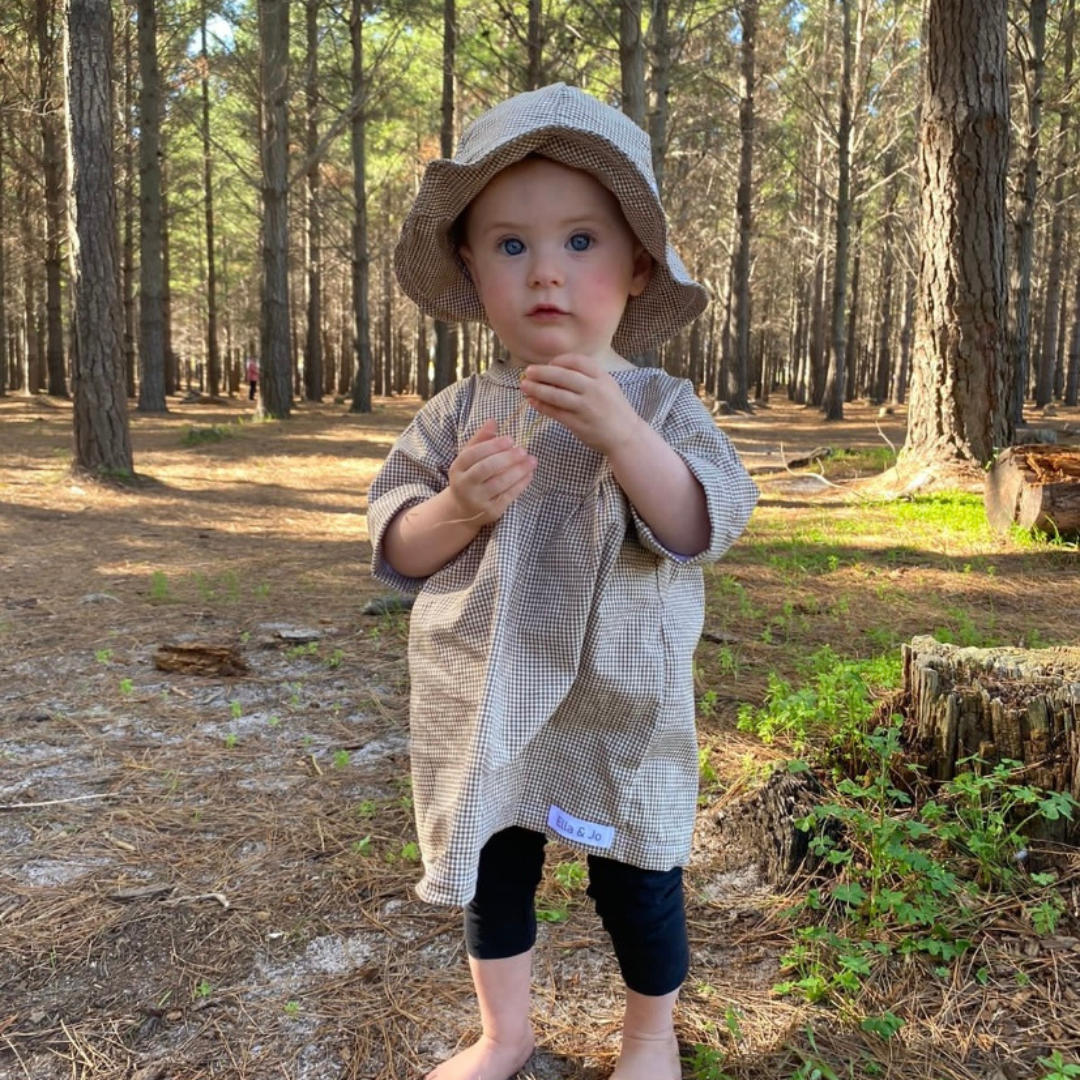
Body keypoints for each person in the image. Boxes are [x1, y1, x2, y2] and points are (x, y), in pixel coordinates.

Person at [367, 83, 758, 1080]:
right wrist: (454, 509)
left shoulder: (662, 404)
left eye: (580, 240)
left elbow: (700, 523)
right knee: (496, 869)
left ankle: (649, 1034)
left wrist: (621, 433)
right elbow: (397, 545)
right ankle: (505, 1032)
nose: (545, 271)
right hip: (486, 695)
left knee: (640, 872)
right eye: (510, 245)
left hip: (619, 704)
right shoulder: (460, 414)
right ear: (471, 266)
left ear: (636, 266)